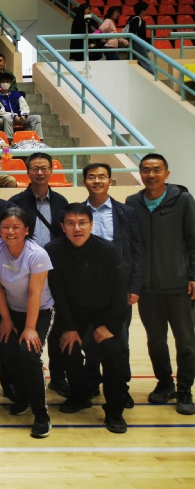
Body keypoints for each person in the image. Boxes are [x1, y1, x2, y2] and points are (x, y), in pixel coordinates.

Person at [45, 204, 130, 433]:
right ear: (63, 226)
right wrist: (69, 327)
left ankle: (115, 411)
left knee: (114, 351)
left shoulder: (108, 250)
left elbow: (119, 291)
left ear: (91, 225)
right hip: (73, 313)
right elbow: (58, 292)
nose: (77, 228)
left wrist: (111, 326)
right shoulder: (53, 250)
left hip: (105, 313)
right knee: (66, 346)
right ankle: (80, 395)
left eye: (82, 223)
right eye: (71, 223)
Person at [126, 154, 195, 415]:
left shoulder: (183, 200)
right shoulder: (133, 202)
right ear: (140, 174)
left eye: (156, 170)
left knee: (186, 342)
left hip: (179, 285)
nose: (151, 175)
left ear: (167, 173)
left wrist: (193, 275)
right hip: (147, 287)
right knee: (155, 341)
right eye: (146, 170)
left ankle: (185, 389)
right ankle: (165, 383)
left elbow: (193, 240)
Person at [82, 162, 144, 408]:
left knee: (119, 341)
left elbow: (137, 251)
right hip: (86, 289)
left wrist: (135, 286)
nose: (97, 181)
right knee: (89, 341)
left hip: (119, 289)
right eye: (91, 177)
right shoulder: (77, 213)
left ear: (110, 180)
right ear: (84, 181)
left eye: (102, 177)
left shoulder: (126, 212)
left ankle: (121, 387)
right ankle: (90, 383)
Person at [0, 207, 54, 438]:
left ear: (26, 230)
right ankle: (24, 397)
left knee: (28, 354)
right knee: (9, 352)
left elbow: (35, 294)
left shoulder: (38, 254)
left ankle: (41, 414)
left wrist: (30, 328)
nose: (10, 231)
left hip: (38, 312)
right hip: (10, 311)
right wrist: (6, 319)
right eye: (5, 227)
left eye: (16, 227)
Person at [8, 152, 69, 397]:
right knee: (28, 323)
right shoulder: (16, 202)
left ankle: (58, 376)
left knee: (58, 324)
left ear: (51, 170)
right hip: (26, 271)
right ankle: (24, 378)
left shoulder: (61, 201)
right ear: (28, 172)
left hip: (56, 270)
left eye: (44, 168)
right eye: (35, 168)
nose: (40, 172)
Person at [0, 75, 43, 141]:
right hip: (9, 118)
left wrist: (24, 116)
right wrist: (14, 116)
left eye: (7, 81)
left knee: (36, 117)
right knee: (7, 118)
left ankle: (38, 140)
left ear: (10, 83)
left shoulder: (16, 94)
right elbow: (0, 111)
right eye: (3, 81)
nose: (5, 83)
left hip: (21, 118)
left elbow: (24, 106)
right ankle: (10, 141)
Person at [124, 1, 153, 73]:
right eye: (146, 10)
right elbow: (132, 32)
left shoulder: (134, 19)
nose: (147, 11)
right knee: (146, 62)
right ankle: (152, 76)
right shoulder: (137, 19)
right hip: (137, 43)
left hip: (135, 44)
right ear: (142, 10)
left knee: (135, 62)